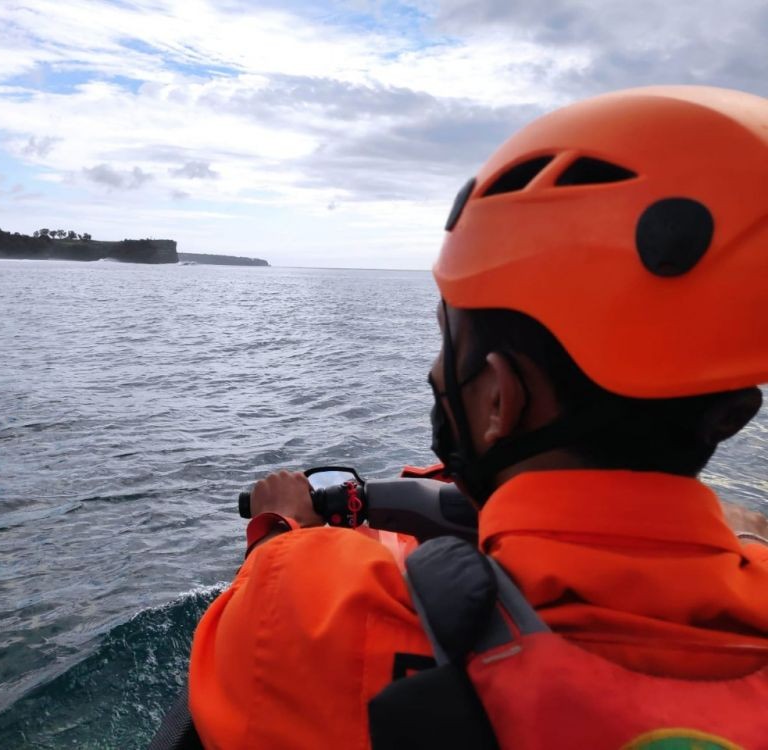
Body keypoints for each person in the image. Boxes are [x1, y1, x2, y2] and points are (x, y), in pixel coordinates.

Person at [187, 86, 768, 749]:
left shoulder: (307, 608)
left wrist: (282, 529)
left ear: (498, 398)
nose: (436, 372)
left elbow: (251, 653)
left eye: (445, 342)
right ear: (728, 413)